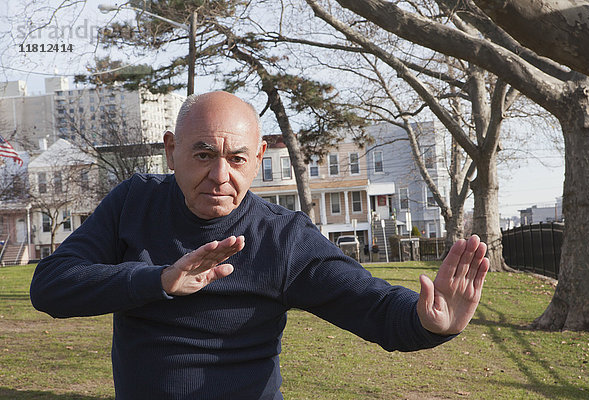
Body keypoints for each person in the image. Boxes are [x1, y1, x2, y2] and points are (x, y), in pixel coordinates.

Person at [30, 91, 489, 400]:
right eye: (203, 154)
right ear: (171, 150)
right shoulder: (135, 202)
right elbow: (50, 286)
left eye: (236, 159)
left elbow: (367, 302)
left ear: (259, 159)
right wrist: (160, 280)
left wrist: (429, 323)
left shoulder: (282, 237)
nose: (220, 176)